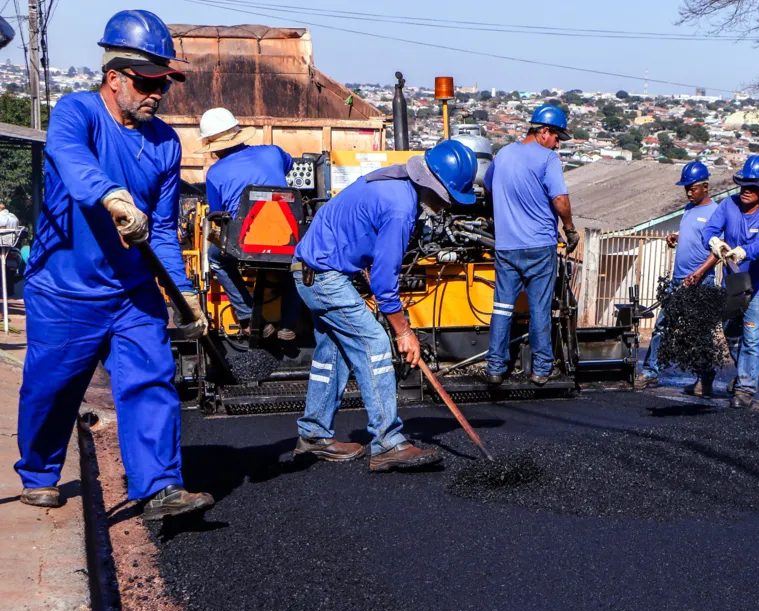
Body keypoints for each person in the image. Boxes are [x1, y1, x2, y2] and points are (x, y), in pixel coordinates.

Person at [16, 10, 213, 519]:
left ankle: (160, 486)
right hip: (64, 289)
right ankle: (39, 471)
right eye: (148, 83)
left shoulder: (166, 143)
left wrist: (182, 290)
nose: (157, 93)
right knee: (52, 389)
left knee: (151, 379)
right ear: (115, 78)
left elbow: (165, 229)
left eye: (164, 84)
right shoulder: (76, 112)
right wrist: (112, 197)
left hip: (131, 291)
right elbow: (68, 157)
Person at [290, 139, 478, 470]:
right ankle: (388, 442)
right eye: (448, 198)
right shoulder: (401, 208)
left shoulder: (394, 181)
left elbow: (361, 235)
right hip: (323, 276)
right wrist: (404, 332)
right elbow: (385, 281)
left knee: (331, 353)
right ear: (434, 186)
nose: (447, 206)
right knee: (375, 343)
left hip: (315, 269)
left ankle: (314, 436)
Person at [484, 104, 580, 386]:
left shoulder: (502, 155)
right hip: (539, 247)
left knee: (502, 308)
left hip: (506, 247)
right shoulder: (547, 159)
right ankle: (540, 369)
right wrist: (570, 229)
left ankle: (494, 368)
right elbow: (560, 200)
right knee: (539, 309)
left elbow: (489, 189)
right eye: (557, 137)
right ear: (544, 132)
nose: (558, 144)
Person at [686, 155, 759, 410]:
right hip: (732, 284)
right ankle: (745, 373)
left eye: (753, 187)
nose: (747, 191)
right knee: (731, 333)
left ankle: (745, 389)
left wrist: (743, 252)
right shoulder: (728, 205)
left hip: (758, 286)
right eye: (744, 185)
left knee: (752, 337)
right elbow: (711, 229)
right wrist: (714, 242)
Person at [199, 106, 300, 341]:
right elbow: (288, 166)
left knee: (217, 259)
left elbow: (218, 214)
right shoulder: (273, 152)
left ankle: (246, 315)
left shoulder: (215, 173)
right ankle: (288, 323)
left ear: (214, 146)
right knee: (295, 262)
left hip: (246, 241)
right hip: (287, 236)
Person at [641, 160, 717, 393]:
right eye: (686, 188)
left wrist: (699, 273)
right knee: (662, 327)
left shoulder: (715, 212)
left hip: (701, 282)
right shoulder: (688, 210)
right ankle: (650, 373)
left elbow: (718, 251)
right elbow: (692, 234)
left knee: (700, 333)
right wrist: (676, 236)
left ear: (705, 186)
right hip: (678, 280)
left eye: (692, 188)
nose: (688, 193)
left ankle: (704, 379)